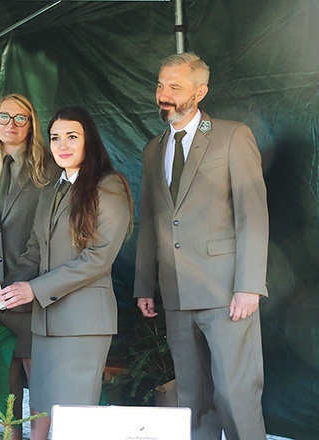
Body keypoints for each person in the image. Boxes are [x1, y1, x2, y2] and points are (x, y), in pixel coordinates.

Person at [134, 52, 268, 440]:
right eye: (160, 85)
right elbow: (152, 220)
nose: (164, 94)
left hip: (227, 292)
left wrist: (249, 285)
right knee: (191, 399)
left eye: (175, 87)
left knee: (235, 394)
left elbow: (252, 214)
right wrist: (144, 284)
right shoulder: (151, 149)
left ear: (201, 91)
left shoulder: (232, 135)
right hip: (175, 292)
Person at [0, 106, 133, 440]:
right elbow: (33, 253)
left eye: (72, 137)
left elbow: (98, 258)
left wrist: (33, 290)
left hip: (82, 325)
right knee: (43, 411)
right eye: (56, 137)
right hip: (44, 325)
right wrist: (0, 291)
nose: (63, 145)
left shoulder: (109, 186)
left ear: (89, 140)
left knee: (74, 423)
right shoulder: (49, 191)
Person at [0, 93, 58, 440]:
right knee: (6, 378)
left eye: (21, 118)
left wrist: (28, 285)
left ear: (32, 124)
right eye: (4, 117)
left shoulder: (49, 171)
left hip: (29, 288)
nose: (11, 125)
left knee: (39, 377)